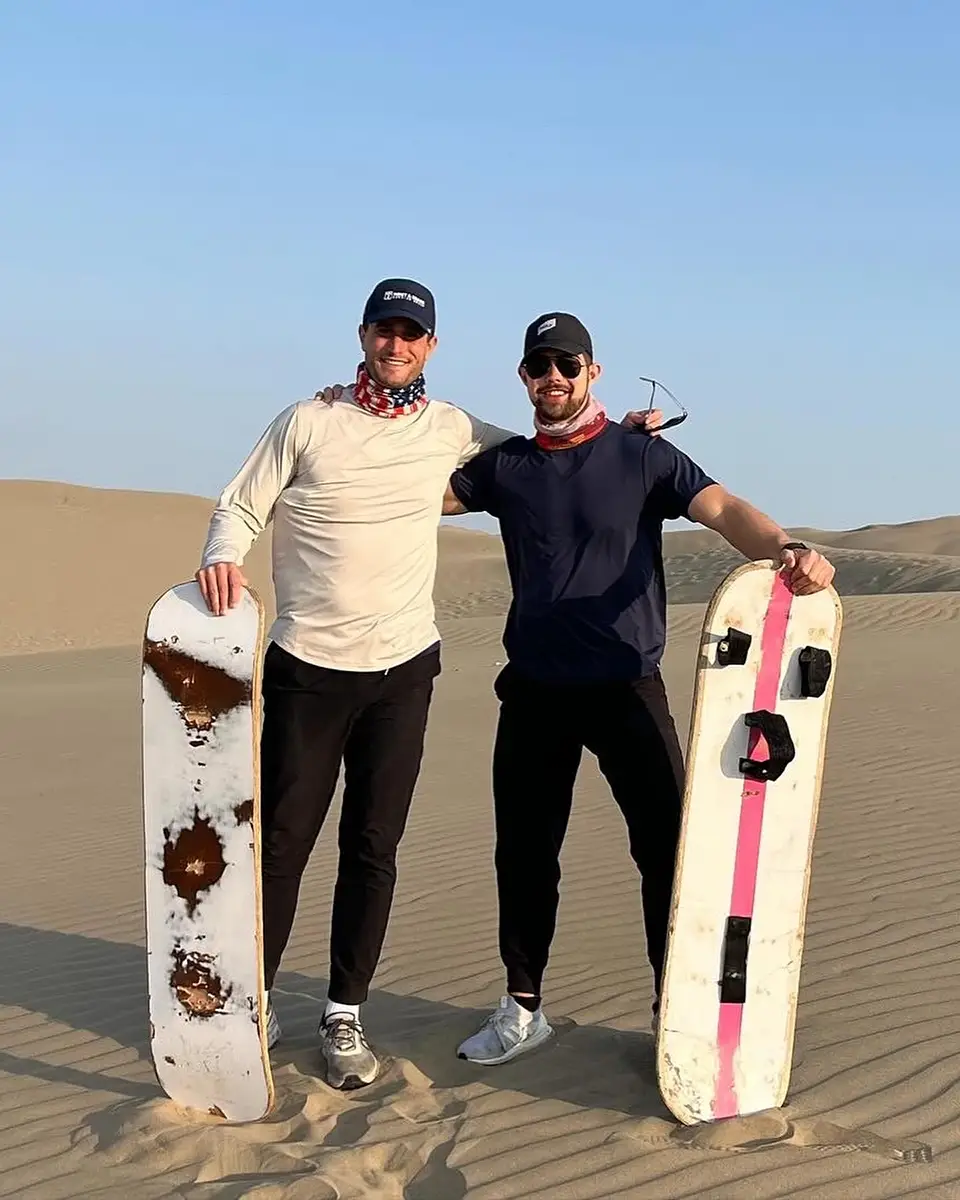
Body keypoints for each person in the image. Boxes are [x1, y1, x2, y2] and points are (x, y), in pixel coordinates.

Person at [195, 280, 660, 1090]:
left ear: (431, 346)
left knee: (373, 849)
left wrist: (617, 433)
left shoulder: (450, 427)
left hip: (405, 669)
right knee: (280, 845)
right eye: (386, 330)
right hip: (309, 664)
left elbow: (549, 450)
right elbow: (242, 504)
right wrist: (220, 556)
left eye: (412, 333)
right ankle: (252, 998)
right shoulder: (308, 419)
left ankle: (344, 1013)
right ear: (365, 334)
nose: (397, 344)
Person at [442, 310, 836, 1066]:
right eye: (538, 367)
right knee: (523, 855)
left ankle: (675, 1008)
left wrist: (786, 548)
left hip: (627, 685)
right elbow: (412, 495)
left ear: (592, 371)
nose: (552, 378)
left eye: (567, 364)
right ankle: (523, 1009)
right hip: (532, 692)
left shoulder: (642, 455)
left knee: (667, 852)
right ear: (523, 378)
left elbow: (723, 510)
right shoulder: (506, 468)